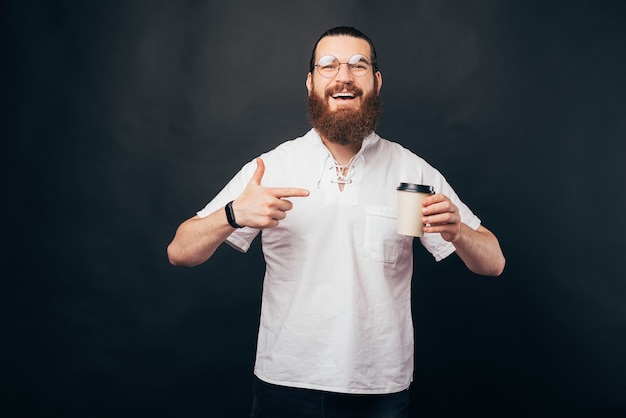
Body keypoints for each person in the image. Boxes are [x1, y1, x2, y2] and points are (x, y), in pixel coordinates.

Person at [168, 26, 505, 418]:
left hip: (379, 388)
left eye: (358, 65)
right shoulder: (272, 167)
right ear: (311, 83)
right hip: (286, 383)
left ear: (376, 82)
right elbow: (179, 251)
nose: (343, 76)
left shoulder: (412, 172)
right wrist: (232, 215)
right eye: (328, 66)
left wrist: (457, 231)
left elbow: (494, 262)